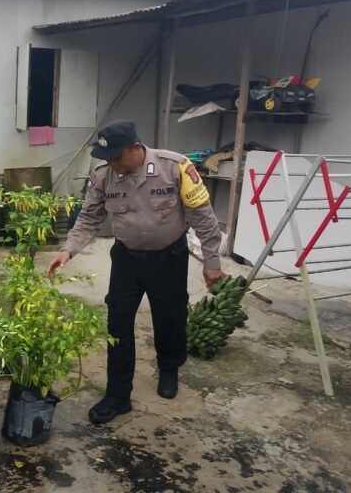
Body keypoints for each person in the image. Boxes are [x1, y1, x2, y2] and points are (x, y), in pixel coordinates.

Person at [47, 120, 224, 425]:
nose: (112, 163)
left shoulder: (175, 167)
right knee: (117, 323)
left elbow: (203, 217)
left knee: (170, 318)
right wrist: (68, 250)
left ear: (136, 147)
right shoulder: (103, 175)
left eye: (117, 156)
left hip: (169, 258)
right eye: (107, 158)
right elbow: (89, 217)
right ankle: (118, 395)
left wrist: (212, 261)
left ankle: (168, 369)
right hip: (127, 260)